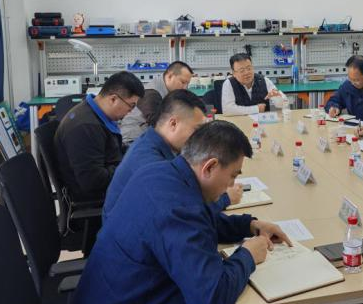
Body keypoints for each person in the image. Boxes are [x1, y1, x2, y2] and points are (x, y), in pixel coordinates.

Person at [53, 121, 291, 304]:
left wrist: (248, 225)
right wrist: (248, 255)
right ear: (210, 167)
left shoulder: (160, 174)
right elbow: (212, 298)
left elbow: (200, 219)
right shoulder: (177, 207)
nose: (233, 184)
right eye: (233, 176)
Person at [103, 90, 244, 220]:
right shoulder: (153, 164)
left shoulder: (154, 141)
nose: (200, 137)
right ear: (173, 123)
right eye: (197, 130)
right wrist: (224, 199)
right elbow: (184, 214)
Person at [55, 71, 144, 202]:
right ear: (113, 99)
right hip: (96, 199)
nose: (130, 112)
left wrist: (135, 153)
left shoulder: (94, 113)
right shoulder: (86, 127)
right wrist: (129, 167)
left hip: (108, 186)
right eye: (131, 106)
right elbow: (93, 182)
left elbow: (110, 149)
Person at [120, 60, 194, 146]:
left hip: (145, 138)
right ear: (170, 76)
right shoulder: (152, 93)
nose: (185, 87)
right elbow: (157, 123)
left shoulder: (166, 91)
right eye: (182, 82)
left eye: (187, 84)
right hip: (133, 140)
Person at [221, 53, 287, 116]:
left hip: (263, 122)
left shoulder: (264, 80)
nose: (247, 73)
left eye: (249, 68)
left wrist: (278, 98)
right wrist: (256, 109)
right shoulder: (229, 83)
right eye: (242, 70)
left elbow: (283, 104)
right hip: (238, 122)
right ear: (234, 73)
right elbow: (227, 110)